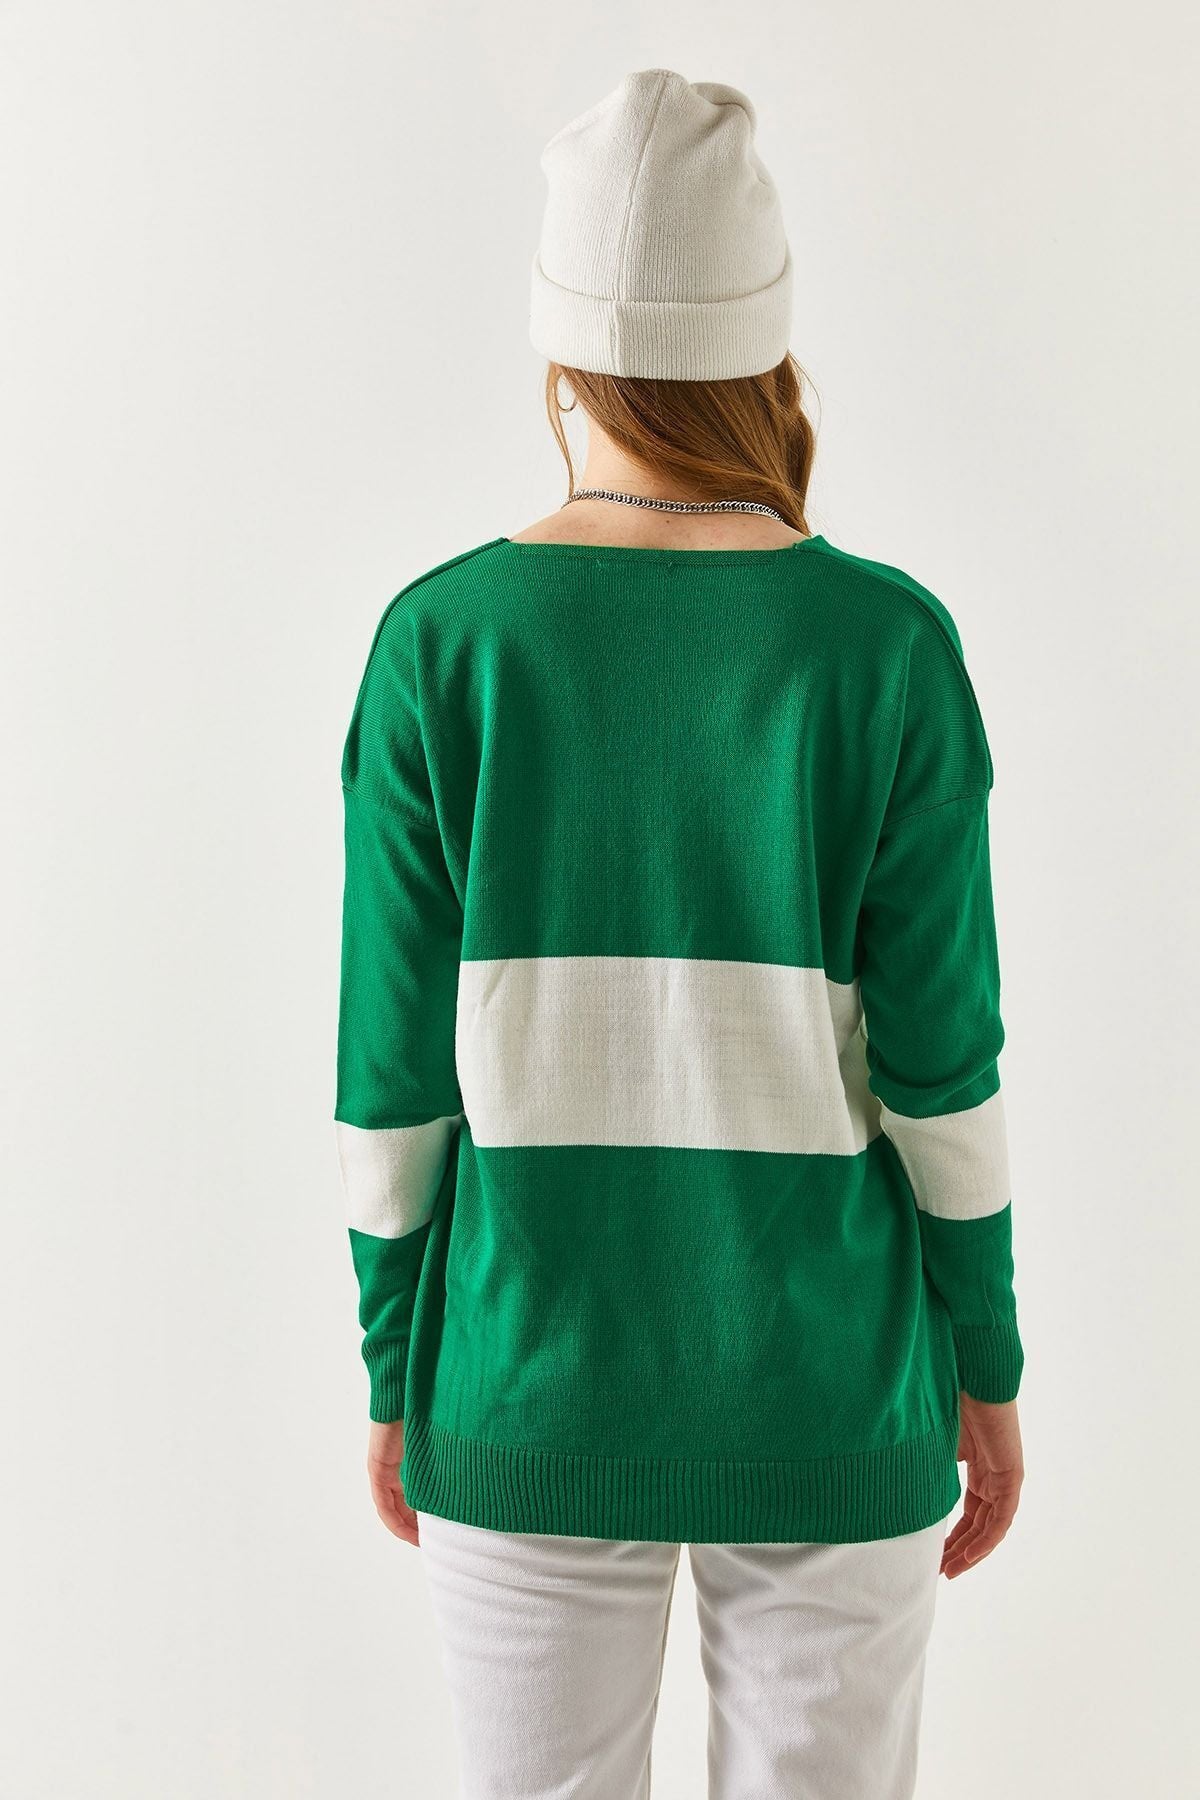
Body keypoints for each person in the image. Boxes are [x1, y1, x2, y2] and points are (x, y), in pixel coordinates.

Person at [333, 66, 1025, 1800]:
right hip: (833, 1393)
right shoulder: (886, 649)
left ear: (560, 359)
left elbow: (390, 1087)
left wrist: (397, 1360)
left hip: (526, 1380)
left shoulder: (444, 648)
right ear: (768, 352)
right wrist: (986, 1355)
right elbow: (945, 1075)